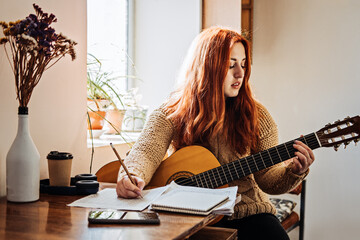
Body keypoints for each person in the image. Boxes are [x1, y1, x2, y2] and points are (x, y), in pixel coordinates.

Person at [116, 27, 315, 240]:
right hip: (186, 213)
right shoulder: (170, 113)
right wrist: (132, 176)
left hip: (246, 213)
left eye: (243, 64)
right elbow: (146, 152)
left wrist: (294, 171)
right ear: (207, 67)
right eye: (230, 65)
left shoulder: (257, 115)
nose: (240, 73)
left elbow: (268, 178)